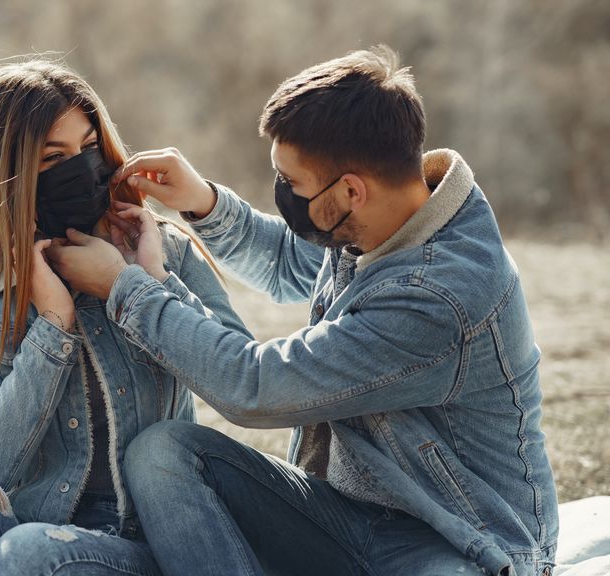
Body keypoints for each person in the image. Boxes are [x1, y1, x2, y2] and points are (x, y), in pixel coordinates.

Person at [48, 46, 558, 576]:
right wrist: (201, 202)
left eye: (291, 185)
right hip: (346, 519)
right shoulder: (390, 217)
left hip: (458, 543)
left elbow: (258, 387)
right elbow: (291, 262)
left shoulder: (439, 297)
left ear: (351, 191)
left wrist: (124, 288)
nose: (282, 196)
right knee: (164, 455)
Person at [0, 59, 249, 576]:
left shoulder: (159, 250)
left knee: (32, 551)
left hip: (135, 540)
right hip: (20, 527)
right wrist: (53, 324)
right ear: (7, 178)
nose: (83, 168)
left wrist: (145, 285)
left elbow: (238, 376)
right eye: (54, 158)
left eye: (89, 148)